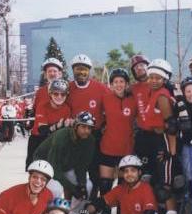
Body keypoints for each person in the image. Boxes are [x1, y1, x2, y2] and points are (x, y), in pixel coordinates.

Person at [74, 155, 158, 214]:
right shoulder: (120, 188)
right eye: (126, 171)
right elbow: (99, 202)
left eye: (133, 170)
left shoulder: (146, 188)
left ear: (139, 172)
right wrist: (85, 212)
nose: (129, 174)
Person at [144, 59, 178, 214]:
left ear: (164, 79)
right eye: (151, 77)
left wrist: (171, 152)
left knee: (166, 187)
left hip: (165, 142)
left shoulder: (162, 95)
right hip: (158, 141)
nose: (154, 80)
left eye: (158, 77)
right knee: (159, 185)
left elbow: (171, 126)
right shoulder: (153, 92)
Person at [67, 54, 109, 194]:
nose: (81, 72)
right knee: (72, 176)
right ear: (73, 70)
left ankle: (93, 206)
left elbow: (111, 108)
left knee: (95, 175)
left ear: (89, 71)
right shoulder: (68, 88)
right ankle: (72, 209)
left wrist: (106, 126)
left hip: (94, 136)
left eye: (84, 69)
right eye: (78, 69)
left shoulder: (101, 88)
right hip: (74, 137)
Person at [33, 111, 96, 201]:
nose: (86, 131)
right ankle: (50, 213)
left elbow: (82, 166)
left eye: (89, 128)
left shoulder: (90, 140)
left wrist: (81, 185)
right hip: (46, 164)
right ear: (75, 126)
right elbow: (54, 168)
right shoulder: (61, 137)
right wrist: (73, 188)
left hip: (65, 166)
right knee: (55, 189)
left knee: (88, 186)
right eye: (83, 127)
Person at [98, 68, 136, 196]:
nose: (119, 84)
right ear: (111, 84)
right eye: (115, 82)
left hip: (126, 150)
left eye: (121, 81)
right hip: (107, 148)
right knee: (104, 186)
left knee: (123, 187)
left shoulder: (133, 100)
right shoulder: (105, 98)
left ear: (126, 84)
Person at [26, 79, 72, 170]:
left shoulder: (67, 109)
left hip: (54, 141)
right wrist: (57, 126)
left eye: (63, 94)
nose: (59, 97)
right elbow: (42, 130)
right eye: (56, 94)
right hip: (38, 140)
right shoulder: (42, 105)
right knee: (35, 169)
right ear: (50, 94)